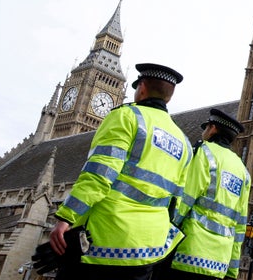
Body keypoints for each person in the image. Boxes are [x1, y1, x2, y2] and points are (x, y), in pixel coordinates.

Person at [49, 63, 193, 280]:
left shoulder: (127, 117)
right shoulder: (184, 143)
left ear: (141, 88)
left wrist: (66, 217)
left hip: (104, 242)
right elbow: (177, 200)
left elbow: (99, 173)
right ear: (169, 98)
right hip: (147, 250)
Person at [166, 108, 251, 279]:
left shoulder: (204, 152)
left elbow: (183, 203)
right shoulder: (243, 171)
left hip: (188, 257)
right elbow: (240, 227)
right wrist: (232, 271)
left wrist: (163, 243)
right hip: (219, 264)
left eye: (205, 128)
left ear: (212, 129)